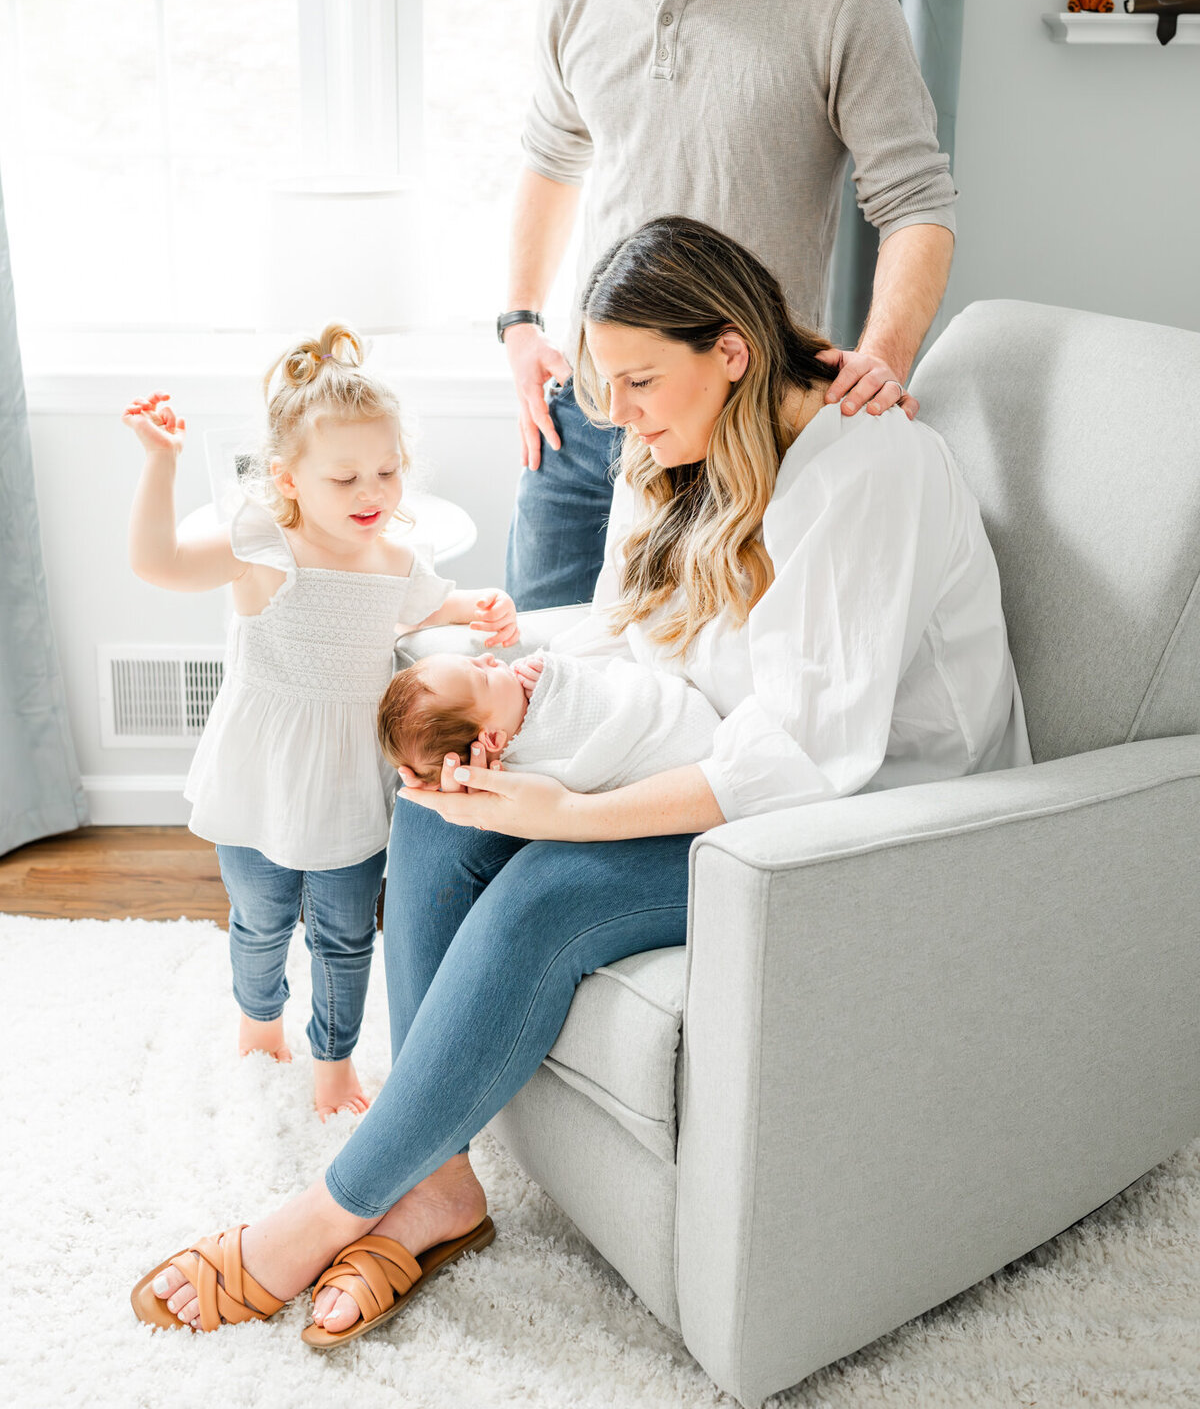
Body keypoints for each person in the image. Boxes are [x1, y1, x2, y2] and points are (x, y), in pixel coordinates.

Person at [130, 222, 1027, 1343]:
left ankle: (320, 1216)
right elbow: (633, 633)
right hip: (713, 748)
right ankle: (440, 1185)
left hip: (861, 815)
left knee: (548, 887)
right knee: (441, 813)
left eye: (645, 381)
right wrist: (504, 679)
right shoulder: (679, 442)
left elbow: (801, 752)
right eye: (613, 386)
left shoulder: (864, 469)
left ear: (734, 351)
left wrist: (579, 813)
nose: (628, 416)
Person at [501, 0, 959, 612]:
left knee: (697, 709)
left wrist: (884, 356)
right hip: (587, 420)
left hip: (742, 432)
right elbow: (552, 159)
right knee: (528, 682)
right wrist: (517, 323)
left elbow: (916, 203)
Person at [122, 323, 517, 1120]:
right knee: (262, 919)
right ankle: (259, 1022)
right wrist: (159, 466)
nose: (372, 493)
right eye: (345, 478)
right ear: (290, 479)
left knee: (343, 934)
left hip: (346, 779)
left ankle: (333, 1063)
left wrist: (479, 605)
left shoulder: (399, 561)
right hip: (260, 773)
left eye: (386, 471)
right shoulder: (263, 547)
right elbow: (157, 564)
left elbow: (416, 609)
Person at [377, 645, 719, 789]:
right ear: (493, 739)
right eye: (481, 675)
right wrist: (557, 677)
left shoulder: (525, 704)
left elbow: (608, 694)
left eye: (474, 657)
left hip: (681, 729)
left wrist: (555, 677)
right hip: (680, 748)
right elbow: (589, 723)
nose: (488, 657)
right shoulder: (520, 770)